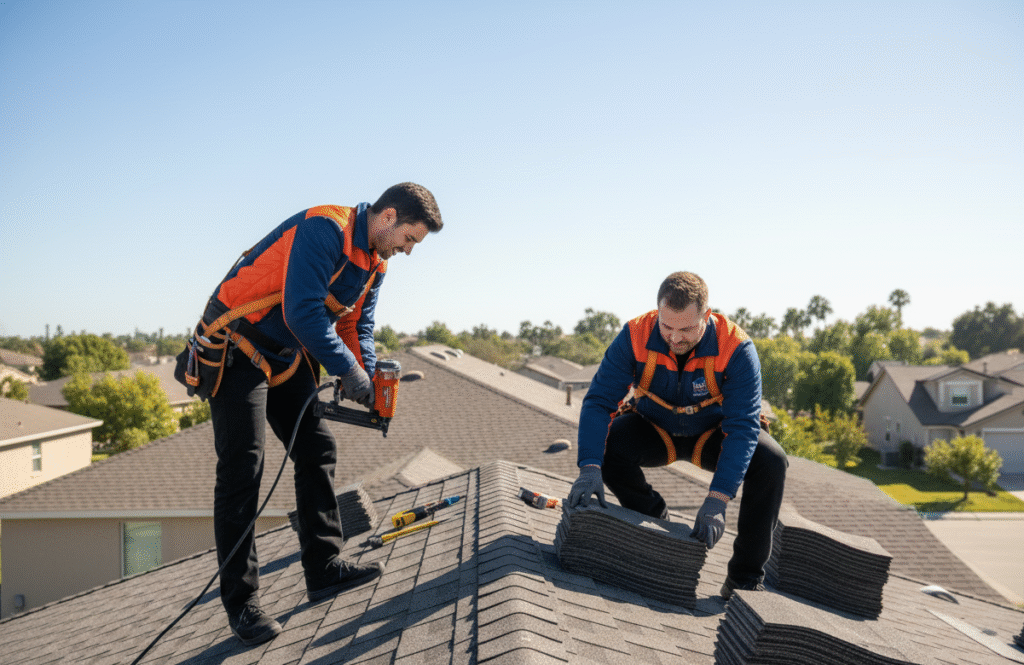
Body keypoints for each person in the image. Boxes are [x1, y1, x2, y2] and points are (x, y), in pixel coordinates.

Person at [194, 183, 442, 645]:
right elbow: (303, 313)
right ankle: (242, 604)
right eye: (409, 239)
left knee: (316, 447)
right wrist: (350, 373)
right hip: (236, 345)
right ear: (388, 217)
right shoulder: (324, 228)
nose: (408, 251)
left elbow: (354, 323)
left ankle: (323, 567)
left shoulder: (375, 261)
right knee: (243, 469)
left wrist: (367, 377)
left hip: (285, 352)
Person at [567, 271, 787, 600]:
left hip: (713, 435)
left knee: (771, 461)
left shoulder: (736, 347)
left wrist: (718, 499)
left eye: (685, 329)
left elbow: (742, 428)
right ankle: (656, 522)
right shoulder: (635, 335)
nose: (674, 337)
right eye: (666, 326)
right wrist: (589, 468)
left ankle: (744, 580)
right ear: (658, 312)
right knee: (607, 446)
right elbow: (598, 402)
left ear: (707, 316)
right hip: (655, 429)